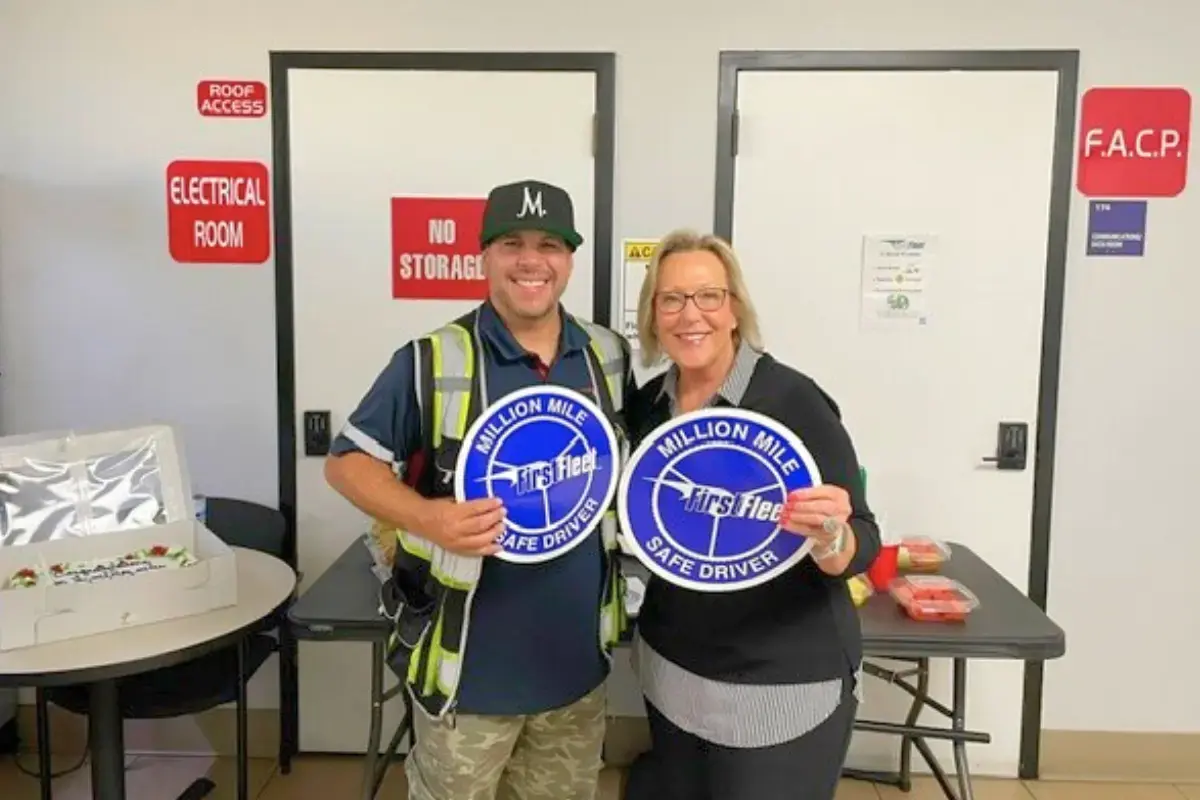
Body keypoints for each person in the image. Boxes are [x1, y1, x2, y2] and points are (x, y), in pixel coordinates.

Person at [324, 179, 633, 800]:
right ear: (483, 257)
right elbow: (346, 463)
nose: (530, 260)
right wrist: (428, 517)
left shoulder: (607, 354)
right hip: (469, 675)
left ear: (568, 261)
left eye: (550, 244)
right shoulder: (433, 358)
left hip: (574, 671)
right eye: (510, 243)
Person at [622, 229, 881, 800]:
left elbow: (862, 539)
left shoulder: (793, 402)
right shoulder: (646, 408)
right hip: (674, 673)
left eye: (708, 296)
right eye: (672, 299)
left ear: (735, 308)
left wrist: (832, 536)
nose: (691, 315)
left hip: (779, 684)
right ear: (653, 316)